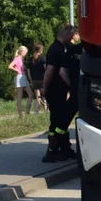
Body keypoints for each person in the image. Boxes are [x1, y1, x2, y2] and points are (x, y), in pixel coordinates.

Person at [41, 24, 77, 162]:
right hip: (55, 90)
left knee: (60, 120)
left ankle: (62, 148)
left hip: (58, 90)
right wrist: (44, 88)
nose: (73, 40)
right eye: (73, 36)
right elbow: (50, 71)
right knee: (57, 121)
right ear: (68, 35)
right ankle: (53, 150)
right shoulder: (56, 49)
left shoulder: (59, 47)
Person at [8, 45, 32, 118]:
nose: (26, 53)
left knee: (31, 94)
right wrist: (17, 70)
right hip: (19, 77)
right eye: (25, 52)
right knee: (19, 96)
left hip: (23, 76)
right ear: (22, 51)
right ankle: (20, 115)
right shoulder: (17, 58)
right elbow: (10, 66)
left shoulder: (22, 59)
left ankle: (27, 112)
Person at [29, 43, 47, 114]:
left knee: (37, 97)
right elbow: (46, 68)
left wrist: (31, 79)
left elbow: (29, 71)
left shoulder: (31, 59)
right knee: (43, 96)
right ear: (41, 50)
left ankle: (36, 111)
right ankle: (45, 111)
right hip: (42, 79)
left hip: (34, 80)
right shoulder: (43, 58)